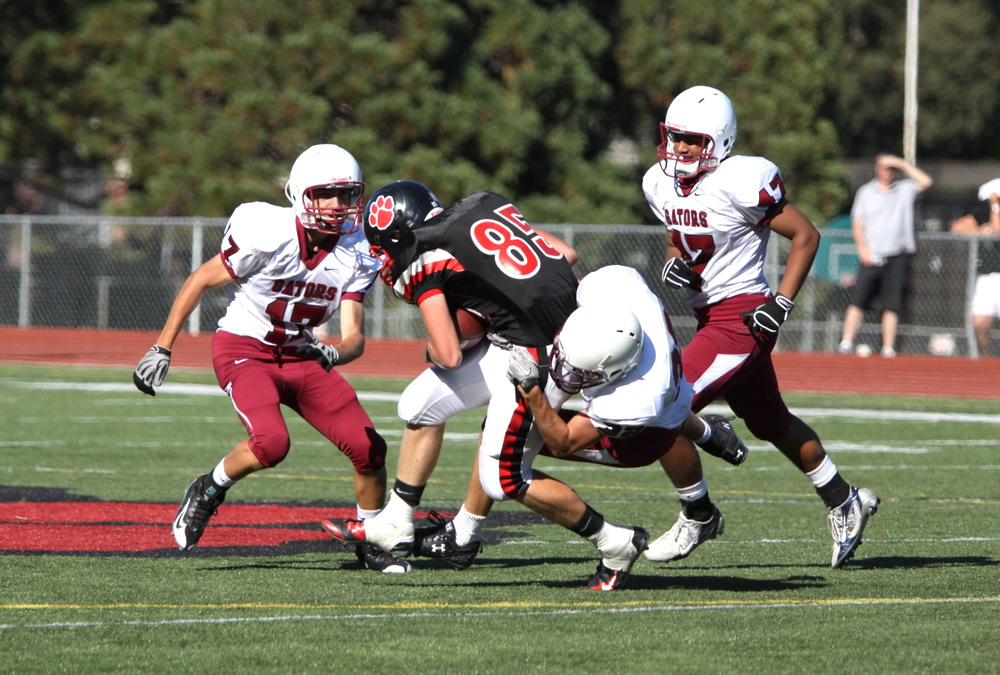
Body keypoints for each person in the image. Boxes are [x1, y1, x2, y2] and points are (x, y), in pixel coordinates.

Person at [321, 182, 740, 589]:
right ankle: (399, 521)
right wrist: (493, 299)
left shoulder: (419, 258)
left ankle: (613, 541)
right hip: (546, 329)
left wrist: (453, 332)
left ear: (395, 237)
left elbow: (447, 355)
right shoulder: (482, 202)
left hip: (542, 353)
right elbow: (566, 254)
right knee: (417, 405)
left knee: (501, 476)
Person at [132, 144, 408, 573]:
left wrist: (334, 353)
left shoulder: (357, 250)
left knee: (369, 448)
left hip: (302, 357)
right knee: (272, 443)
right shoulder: (268, 231)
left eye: (346, 194)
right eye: (325, 194)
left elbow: (355, 337)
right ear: (300, 194)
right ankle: (207, 489)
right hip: (244, 350)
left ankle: (370, 538)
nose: (338, 205)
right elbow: (200, 279)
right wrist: (162, 346)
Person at [642, 85, 880, 569]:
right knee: (770, 421)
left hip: (743, 318)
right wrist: (673, 260)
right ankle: (844, 499)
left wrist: (782, 302)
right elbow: (677, 236)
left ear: (720, 140)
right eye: (675, 137)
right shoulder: (659, 182)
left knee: (661, 405)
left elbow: (806, 235)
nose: (680, 148)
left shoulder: (740, 180)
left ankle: (698, 513)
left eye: (693, 139)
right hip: (709, 315)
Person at [507, 265, 740, 571]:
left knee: (507, 450)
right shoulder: (617, 288)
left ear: (619, 371)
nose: (567, 373)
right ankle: (709, 434)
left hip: (641, 436)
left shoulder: (634, 399)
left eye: (582, 373)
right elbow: (573, 286)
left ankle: (466, 533)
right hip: (673, 397)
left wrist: (533, 393)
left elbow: (563, 442)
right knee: (673, 411)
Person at [837, 153, 933, 357]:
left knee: (892, 303)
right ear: (877, 169)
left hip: (897, 255)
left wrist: (901, 163)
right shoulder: (866, 192)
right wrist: (863, 250)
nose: (889, 172)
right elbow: (858, 223)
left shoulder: (905, 189)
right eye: (886, 168)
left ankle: (888, 347)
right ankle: (846, 343)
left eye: (892, 169)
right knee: (858, 301)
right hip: (872, 256)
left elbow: (926, 181)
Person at [950, 179, 1000, 357]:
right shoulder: (982, 213)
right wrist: (981, 231)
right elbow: (958, 227)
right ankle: (987, 358)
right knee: (979, 322)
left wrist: (995, 206)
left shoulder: (994, 210)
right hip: (987, 276)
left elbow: (997, 230)